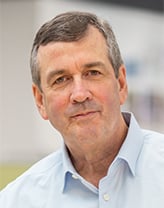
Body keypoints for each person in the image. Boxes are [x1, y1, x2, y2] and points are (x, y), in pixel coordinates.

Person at [0, 11, 164, 208]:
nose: (79, 94)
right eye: (61, 79)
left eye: (93, 73)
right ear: (40, 101)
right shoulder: (16, 201)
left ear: (120, 84)